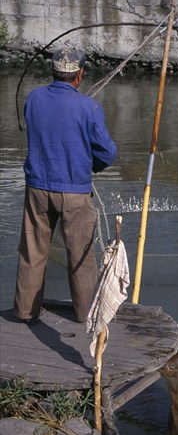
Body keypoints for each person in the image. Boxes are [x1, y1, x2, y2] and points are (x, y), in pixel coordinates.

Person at [13, 48, 117, 324]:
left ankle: (25, 312)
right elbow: (107, 153)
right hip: (73, 191)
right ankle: (86, 314)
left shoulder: (34, 98)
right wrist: (88, 165)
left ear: (54, 72)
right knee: (81, 255)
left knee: (32, 251)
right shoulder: (88, 107)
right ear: (79, 74)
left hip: (37, 189)